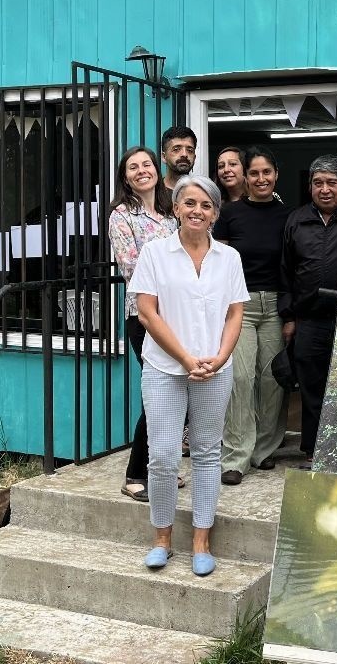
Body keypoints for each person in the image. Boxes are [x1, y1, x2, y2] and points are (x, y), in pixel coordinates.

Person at [128, 174, 247, 575]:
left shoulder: (228, 258)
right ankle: (162, 538)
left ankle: (201, 541)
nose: (198, 211)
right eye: (190, 203)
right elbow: (147, 312)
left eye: (206, 205)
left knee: (207, 452)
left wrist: (219, 356)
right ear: (176, 208)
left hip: (215, 368)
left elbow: (235, 313)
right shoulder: (155, 253)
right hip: (165, 368)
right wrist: (185, 359)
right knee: (162, 455)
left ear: (215, 213)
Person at [280, 155, 337, 467]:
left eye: (332, 182)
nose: (324, 189)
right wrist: (289, 315)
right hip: (309, 321)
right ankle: (314, 451)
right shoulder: (296, 219)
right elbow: (286, 272)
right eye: (317, 183)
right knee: (312, 388)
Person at [214, 146, 292, 485]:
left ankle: (264, 450)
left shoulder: (289, 215)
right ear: (245, 176)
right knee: (240, 379)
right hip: (239, 306)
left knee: (272, 379)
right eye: (254, 173)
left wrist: (291, 313)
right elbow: (218, 264)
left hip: (275, 304)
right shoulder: (230, 214)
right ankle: (236, 457)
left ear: (276, 174)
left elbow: (292, 266)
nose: (261, 178)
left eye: (267, 172)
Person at [107, 146, 181, 503]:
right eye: (133, 167)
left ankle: (162, 470)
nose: (141, 171)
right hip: (145, 317)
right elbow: (131, 268)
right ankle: (135, 474)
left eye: (146, 164)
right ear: (125, 177)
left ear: (157, 169)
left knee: (179, 391)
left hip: (179, 316)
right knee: (159, 394)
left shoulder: (171, 215)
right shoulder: (121, 216)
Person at [160, 126, 197, 190]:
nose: (184, 154)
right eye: (176, 149)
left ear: (194, 157)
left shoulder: (201, 193)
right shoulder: (154, 192)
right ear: (164, 157)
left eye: (190, 150)